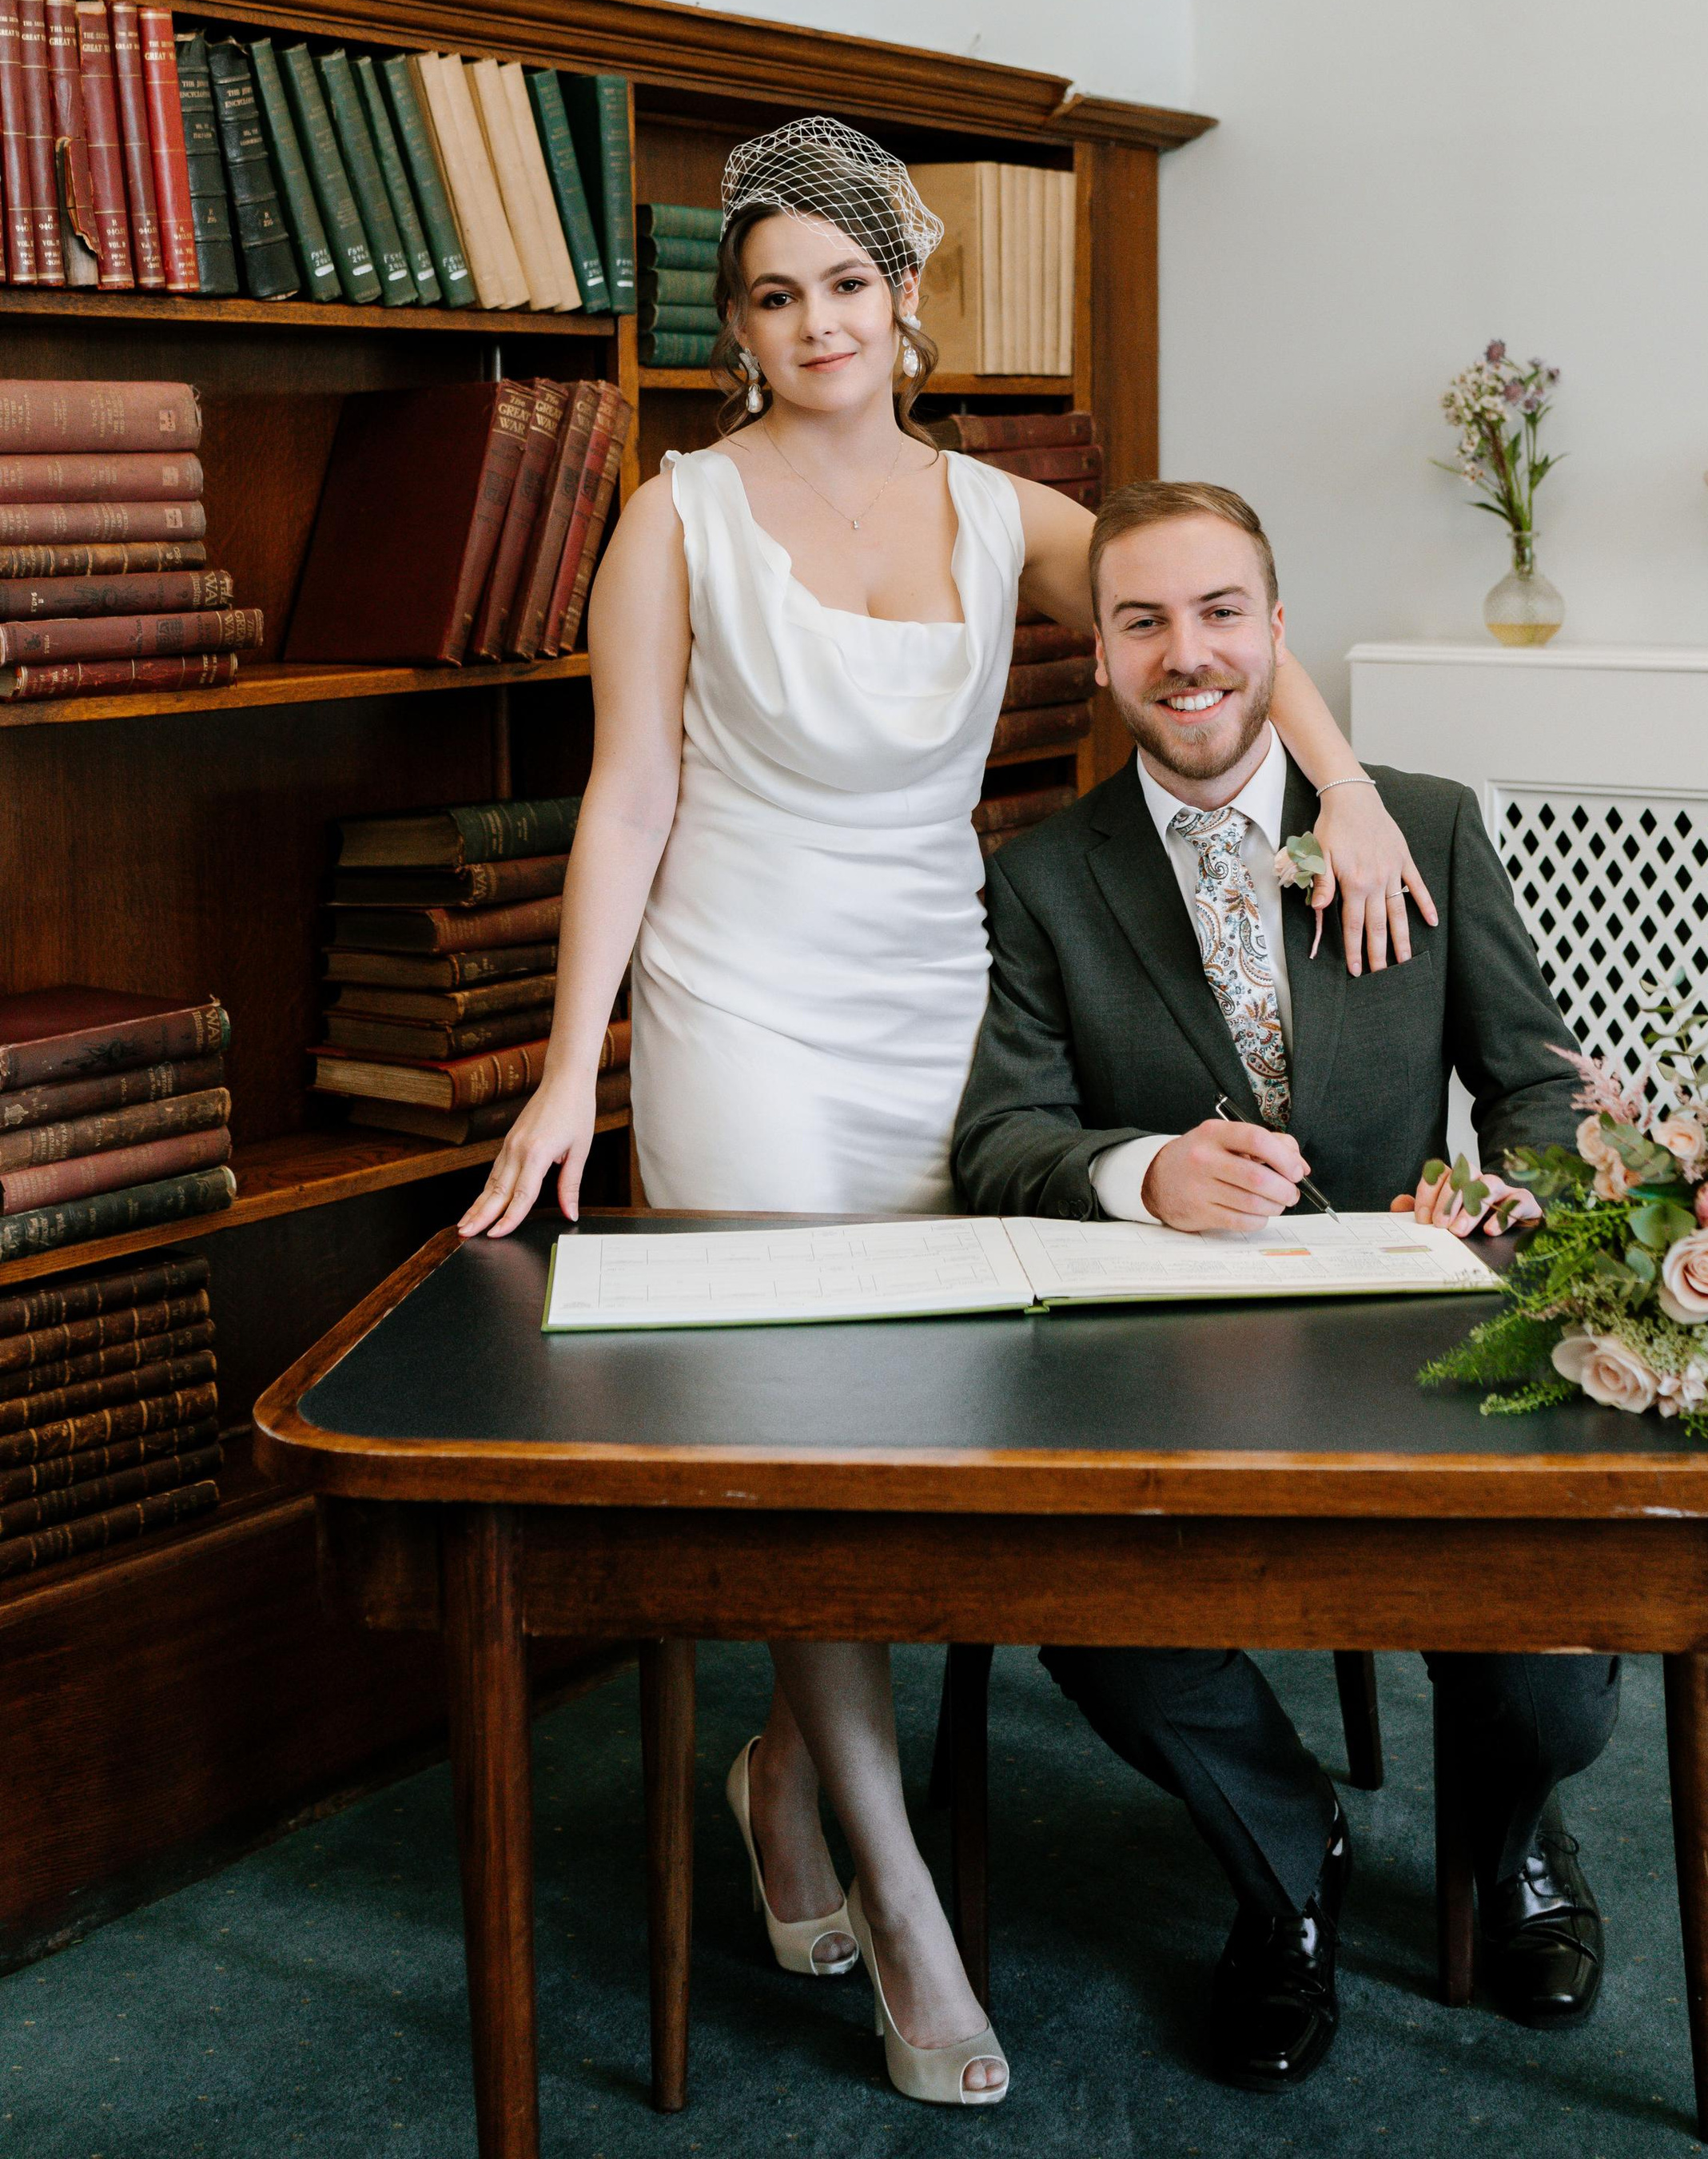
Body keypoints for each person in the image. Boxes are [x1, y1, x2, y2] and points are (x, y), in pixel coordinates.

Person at [456, 121, 1434, 2110]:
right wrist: (573, 1067)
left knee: (939, 1424)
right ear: (736, 328)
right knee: (802, 1444)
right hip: (735, 1011)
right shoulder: (675, 517)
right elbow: (626, 799)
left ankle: (784, 1770)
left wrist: (1348, 784)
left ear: (907, 296)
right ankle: (899, 1889)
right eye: (770, 292)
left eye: (843, 280)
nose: (813, 320)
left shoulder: (1007, 511)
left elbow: (1208, 620)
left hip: (941, 1005)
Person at [950, 476, 1619, 2093]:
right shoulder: (1041, 875)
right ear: (1100, 657)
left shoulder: (1425, 823)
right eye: (1142, 621)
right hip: (1176, 1365)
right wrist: (1139, 1170)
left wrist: (1523, 1191)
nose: (1187, 655)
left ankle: (1509, 1840)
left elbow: (1528, 1077)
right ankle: (1284, 1850)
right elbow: (1001, 1136)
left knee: (1556, 1653)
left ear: (1272, 628)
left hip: (1434, 1341)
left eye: (1218, 611)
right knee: (1101, 1625)